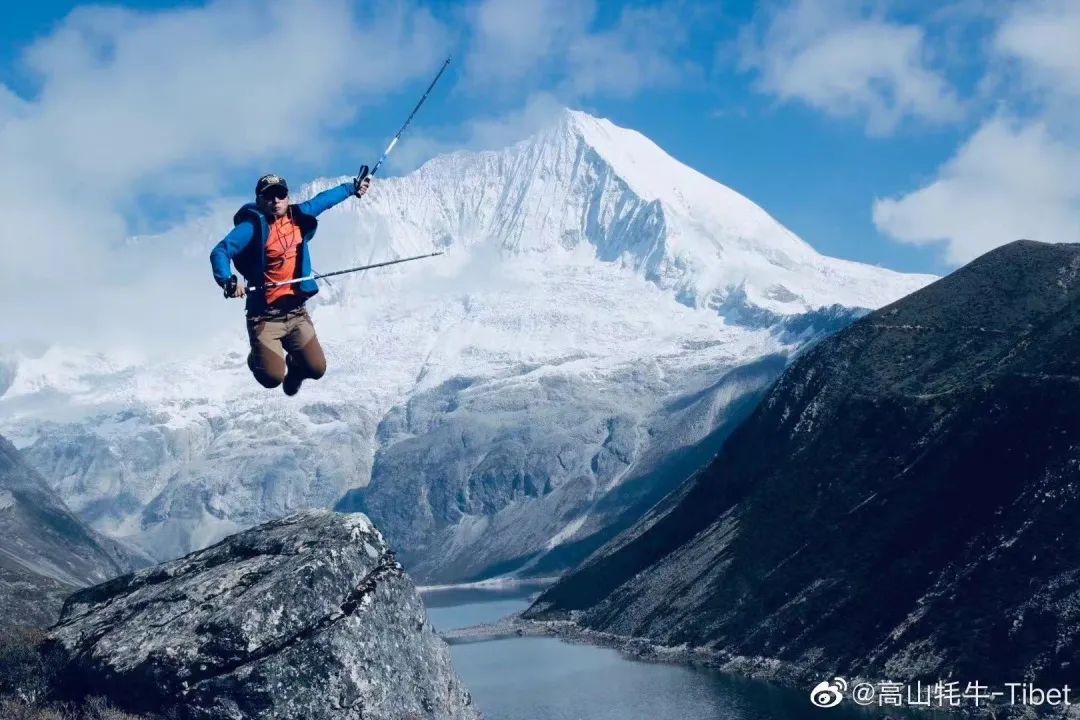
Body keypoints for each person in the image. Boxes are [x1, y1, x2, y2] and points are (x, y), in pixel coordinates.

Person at [210, 172, 371, 395]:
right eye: (268, 197)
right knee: (272, 378)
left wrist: (353, 187)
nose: (275, 200)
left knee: (317, 369)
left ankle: (295, 368)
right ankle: (258, 359)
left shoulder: (299, 215)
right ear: (259, 201)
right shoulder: (252, 228)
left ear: (287, 197)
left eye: (280, 195)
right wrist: (228, 281)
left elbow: (324, 200)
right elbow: (221, 251)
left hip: (296, 313)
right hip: (264, 317)